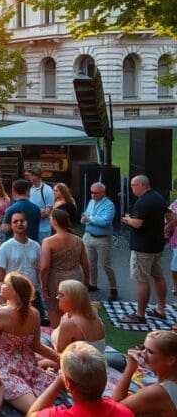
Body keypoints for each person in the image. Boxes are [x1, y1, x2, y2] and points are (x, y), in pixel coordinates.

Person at [0, 272, 57, 413]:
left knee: (36, 410)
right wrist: (60, 358)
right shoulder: (35, 313)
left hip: (1, 369)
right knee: (42, 403)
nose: (1, 284)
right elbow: (36, 345)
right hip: (27, 366)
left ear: (14, 293)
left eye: (5, 284)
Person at [28, 341, 133, 416]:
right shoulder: (125, 413)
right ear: (105, 379)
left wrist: (59, 380)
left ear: (68, 383)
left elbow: (32, 413)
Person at [121, 174, 173, 323]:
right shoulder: (158, 197)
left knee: (142, 280)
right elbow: (172, 218)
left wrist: (127, 219)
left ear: (142, 185)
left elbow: (137, 223)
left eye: (133, 186)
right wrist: (165, 229)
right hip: (157, 245)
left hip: (142, 247)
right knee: (158, 277)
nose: (132, 189)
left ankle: (139, 315)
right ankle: (160, 309)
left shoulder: (143, 202)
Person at [0, 211, 47, 325]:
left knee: (39, 325)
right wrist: (5, 294)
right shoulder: (5, 247)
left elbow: (39, 270)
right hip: (14, 295)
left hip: (33, 294)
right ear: (11, 225)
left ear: (27, 223)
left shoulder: (35, 246)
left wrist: (43, 289)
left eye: (22, 221)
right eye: (15, 221)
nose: (19, 224)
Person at [40, 208, 90, 326]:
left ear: (55, 221)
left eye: (51, 218)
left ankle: (58, 339)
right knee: (75, 312)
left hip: (56, 280)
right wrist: (86, 283)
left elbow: (44, 268)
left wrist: (44, 286)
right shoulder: (78, 240)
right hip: (76, 278)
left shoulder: (48, 242)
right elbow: (86, 264)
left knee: (55, 311)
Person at [112, 330, 177, 415]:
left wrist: (130, 368)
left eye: (149, 351)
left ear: (170, 360)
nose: (142, 354)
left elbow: (113, 410)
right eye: (143, 348)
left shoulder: (157, 392)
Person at [46, 280, 105, 366]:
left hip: (79, 369)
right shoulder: (92, 312)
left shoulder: (70, 324)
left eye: (61, 295)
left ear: (73, 299)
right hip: (96, 364)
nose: (57, 298)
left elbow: (59, 357)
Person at [81, 182, 118, 301]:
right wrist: (85, 218)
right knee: (90, 263)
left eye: (95, 193)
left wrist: (89, 219)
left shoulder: (109, 205)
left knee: (105, 264)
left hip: (102, 239)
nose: (93, 195)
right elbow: (87, 214)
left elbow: (105, 221)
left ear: (103, 192)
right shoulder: (92, 202)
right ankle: (93, 284)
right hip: (88, 236)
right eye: (91, 192)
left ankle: (113, 288)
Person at [26, 169, 54, 243]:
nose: (28, 178)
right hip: (32, 229)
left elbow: (47, 212)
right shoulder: (31, 189)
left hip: (44, 231)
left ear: (36, 176)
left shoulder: (47, 190)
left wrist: (32, 216)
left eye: (30, 176)